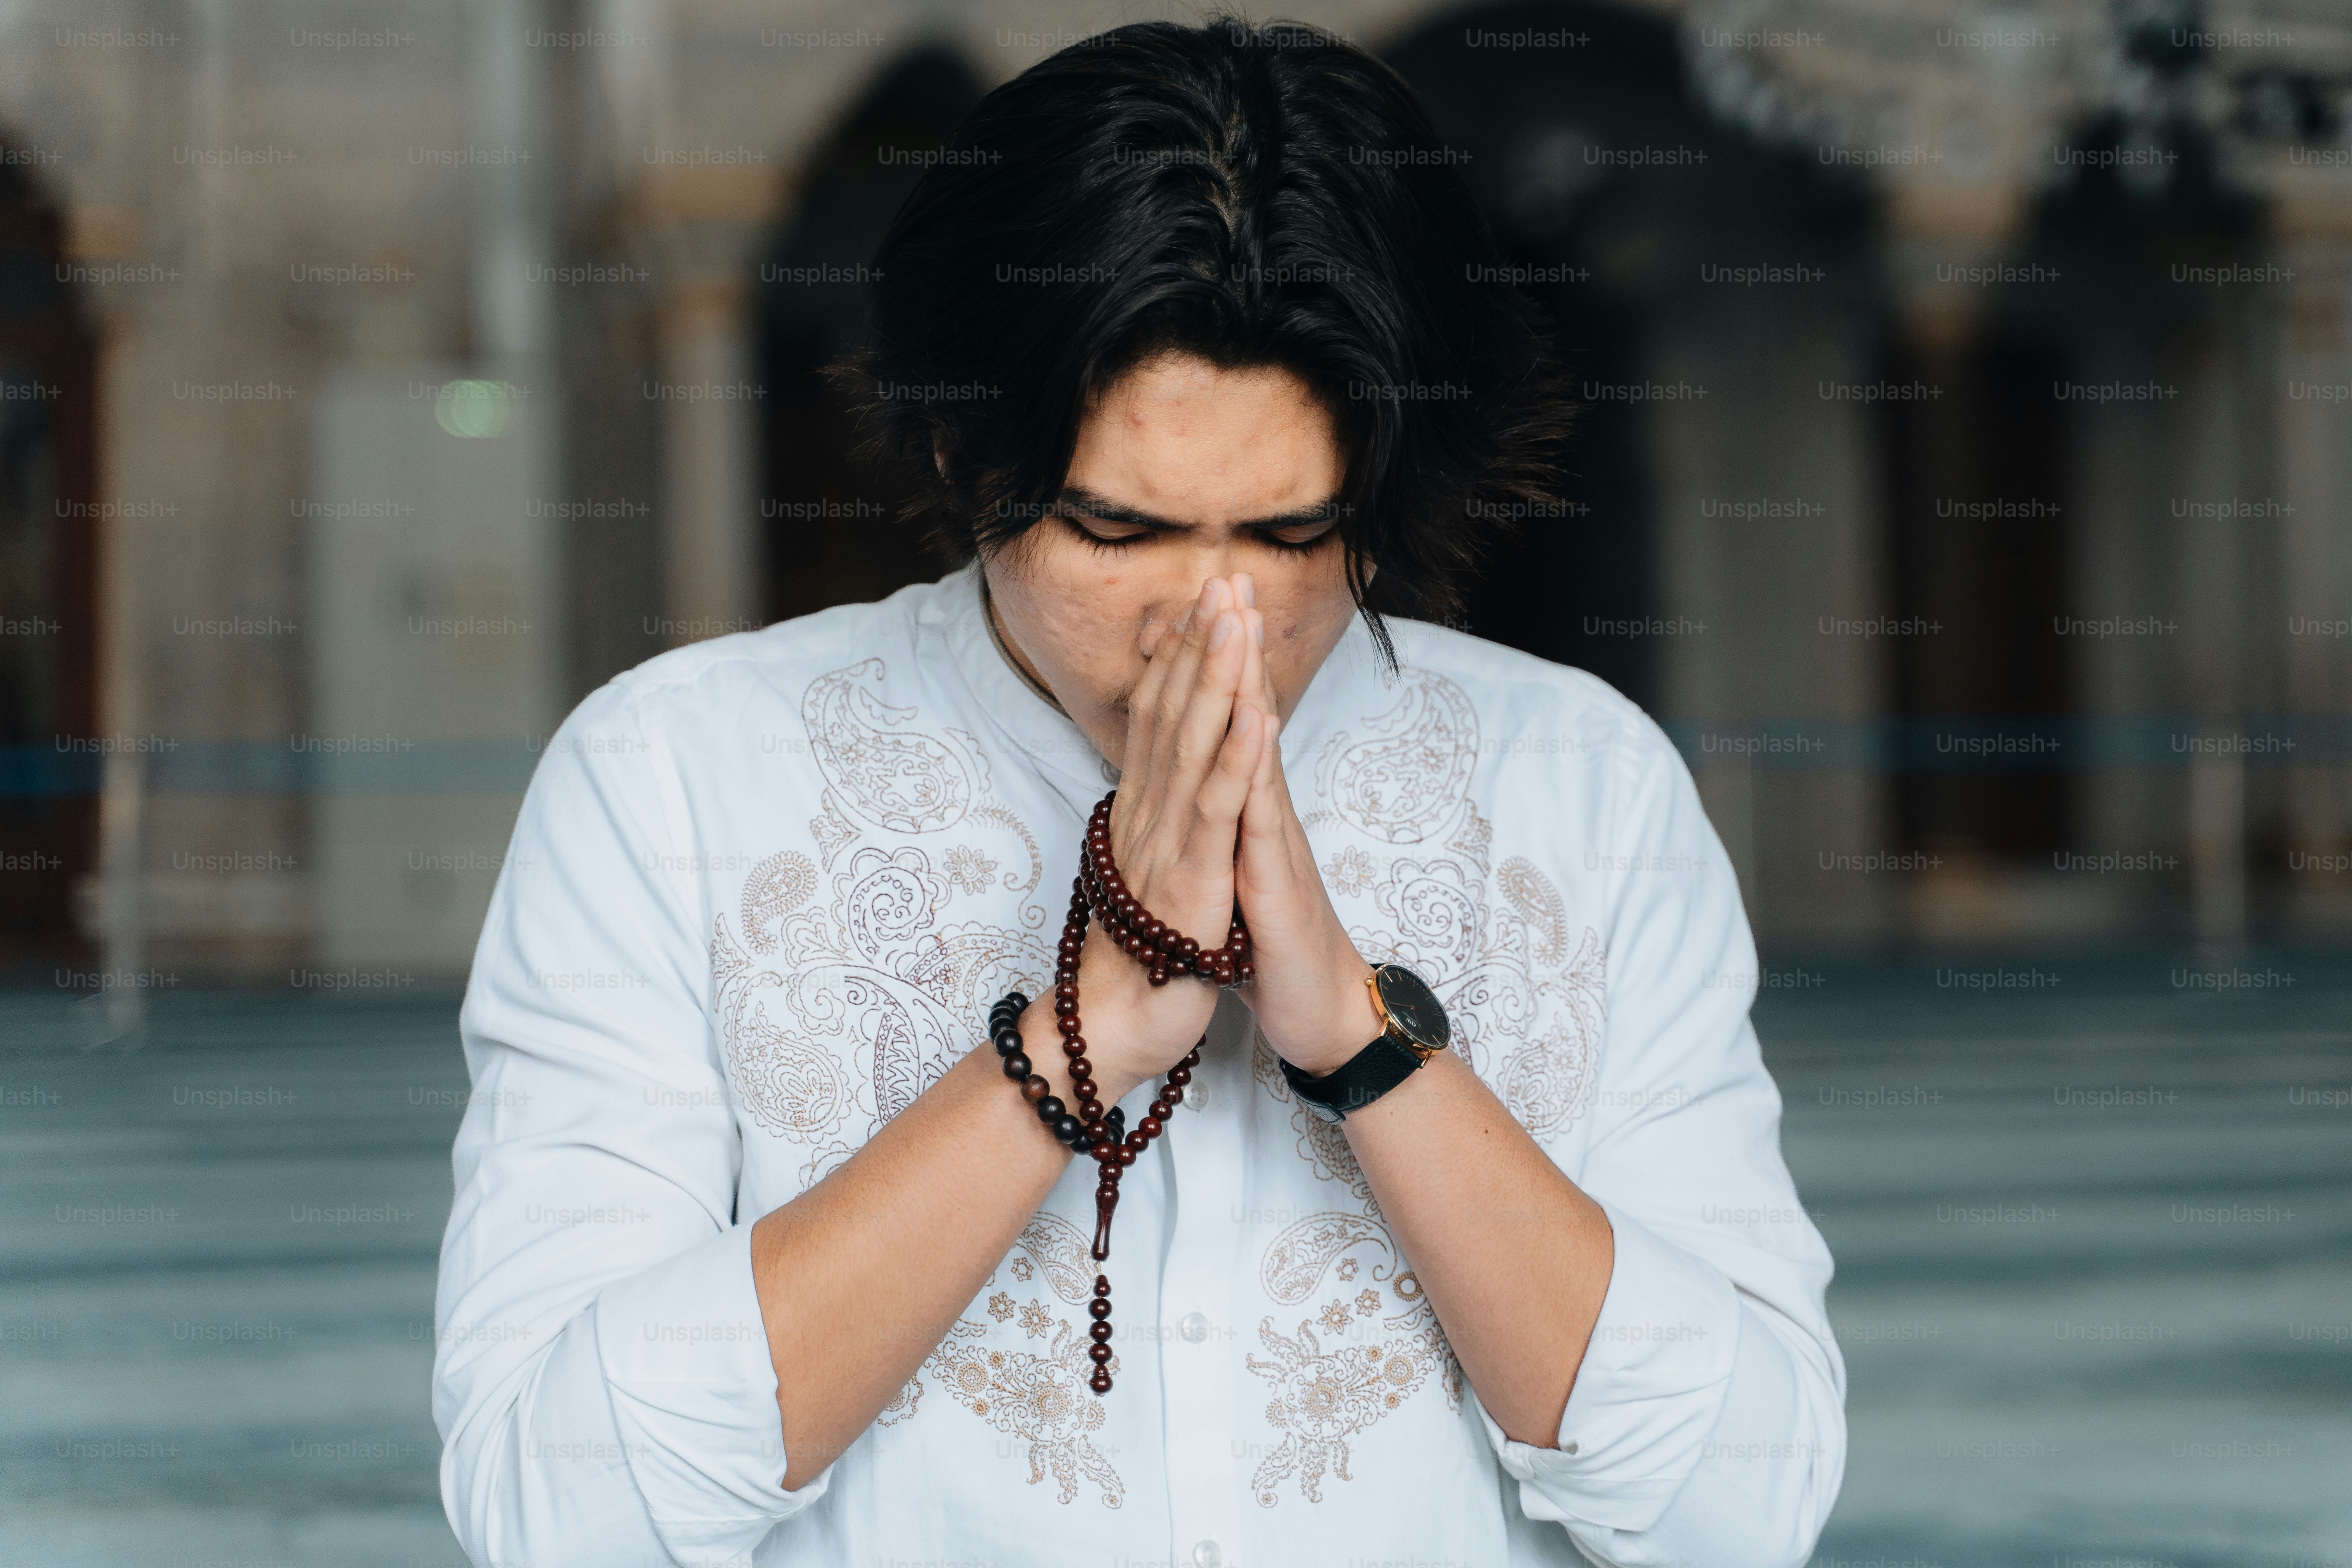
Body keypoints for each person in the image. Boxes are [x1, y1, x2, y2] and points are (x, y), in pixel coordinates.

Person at [432, 17, 1844, 1568]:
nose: (1213, 620)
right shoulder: (672, 783)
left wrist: (1360, 1042)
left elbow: (1743, 1512)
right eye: (1117, 532)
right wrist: (1084, 1033)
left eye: (1292, 535)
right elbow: (557, 1514)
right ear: (963, 453)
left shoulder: (1586, 789)